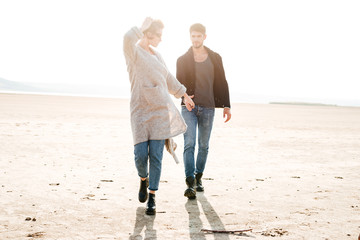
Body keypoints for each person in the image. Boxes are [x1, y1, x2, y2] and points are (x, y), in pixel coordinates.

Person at [123, 17, 195, 214]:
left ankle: (152, 197)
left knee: (156, 156)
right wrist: (141, 27)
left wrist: (185, 95)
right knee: (140, 156)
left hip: (160, 112)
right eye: (159, 35)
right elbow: (126, 39)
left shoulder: (158, 55)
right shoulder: (134, 53)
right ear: (148, 34)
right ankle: (143, 180)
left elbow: (169, 78)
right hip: (139, 111)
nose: (161, 39)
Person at [176, 23, 231, 199]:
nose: (196, 39)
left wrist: (227, 106)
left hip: (208, 107)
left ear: (204, 37)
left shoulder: (215, 58)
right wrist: (185, 97)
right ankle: (190, 183)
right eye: (193, 36)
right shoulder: (182, 60)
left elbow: (222, 81)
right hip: (189, 108)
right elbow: (178, 85)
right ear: (190, 37)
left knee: (204, 146)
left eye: (199, 36)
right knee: (189, 143)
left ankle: (199, 177)